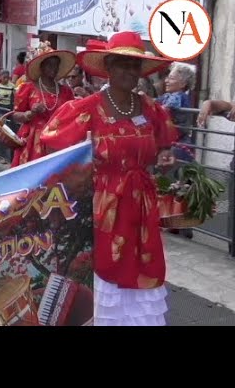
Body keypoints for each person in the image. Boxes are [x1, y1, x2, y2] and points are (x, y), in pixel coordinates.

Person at [40, 31, 177, 326]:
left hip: (142, 207)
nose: (129, 72)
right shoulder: (86, 109)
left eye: (134, 66)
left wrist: (165, 158)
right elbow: (54, 149)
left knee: (145, 269)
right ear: (109, 68)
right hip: (104, 209)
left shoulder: (153, 110)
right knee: (108, 272)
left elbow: (163, 149)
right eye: (122, 64)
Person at [10, 50, 75, 168]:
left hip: (57, 140)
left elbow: (72, 117)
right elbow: (15, 115)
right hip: (32, 142)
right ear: (42, 66)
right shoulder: (28, 88)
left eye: (56, 64)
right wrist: (30, 114)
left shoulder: (66, 91)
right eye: (50, 64)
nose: (54, 68)